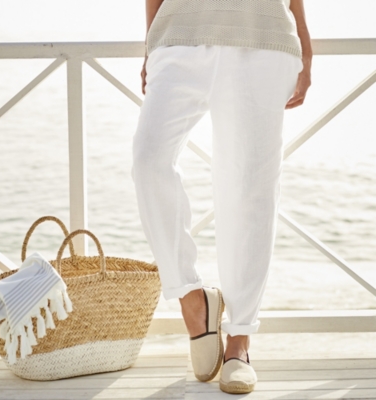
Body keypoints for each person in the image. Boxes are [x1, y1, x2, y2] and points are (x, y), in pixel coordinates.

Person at [131, 0, 312, 394]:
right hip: (179, 34)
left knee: (251, 190)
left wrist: (305, 40)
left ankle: (239, 341)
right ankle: (192, 298)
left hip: (263, 37)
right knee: (148, 160)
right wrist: (152, 43)